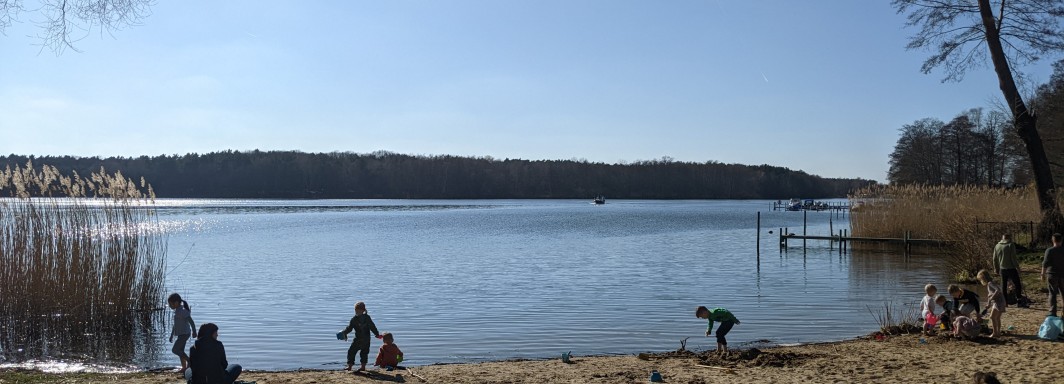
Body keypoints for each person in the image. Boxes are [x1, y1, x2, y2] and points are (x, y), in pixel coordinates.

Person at [339, 301, 381, 372]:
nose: (356, 311)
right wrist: (344, 333)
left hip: (359, 339)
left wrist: (377, 334)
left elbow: (372, 326)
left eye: (358, 310)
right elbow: (350, 328)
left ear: (363, 310)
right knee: (363, 352)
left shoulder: (355, 319)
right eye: (356, 310)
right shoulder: (365, 318)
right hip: (366, 339)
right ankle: (359, 367)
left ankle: (352, 366)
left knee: (352, 352)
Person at [168, 293, 197, 374]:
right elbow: (175, 324)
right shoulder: (177, 311)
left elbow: (191, 321)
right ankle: (184, 368)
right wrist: (171, 335)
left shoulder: (183, 311)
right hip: (181, 334)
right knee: (180, 350)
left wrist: (194, 331)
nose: (170, 306)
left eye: (171, 304)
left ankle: (189, 361)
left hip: (185, 334)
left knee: (175, 350)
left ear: (176, 303)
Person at [993, 234, 1023, 303]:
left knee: (1003, 285)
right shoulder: (1010, 245)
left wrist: (996, 268)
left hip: (1002, 268)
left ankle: (1005, 302)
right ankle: (1019, 299)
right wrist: (1017, 267)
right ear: (1009, 238)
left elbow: (994, 258)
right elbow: (1013, 258)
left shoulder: (997, 246)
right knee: (1017, 284)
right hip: (1011, 268)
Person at [977, 269, 1005, 338]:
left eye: (980, 279)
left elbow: (998, 290)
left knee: (992, 317)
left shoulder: (990, 284)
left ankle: (995, 333)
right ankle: (998, 332)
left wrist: (992, 297)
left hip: (998, 302)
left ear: (983, 278)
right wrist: (988, 304)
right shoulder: (991, 283)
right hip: (1001, 301)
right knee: (997, 317)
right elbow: (990, 295)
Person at [1042, 233, 1064, 317]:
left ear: (1052, 240)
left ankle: (1052, 312)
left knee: (1052, 293)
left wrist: (1042, 274)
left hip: (1052, 274)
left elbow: (1045, 263)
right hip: (1062, 275)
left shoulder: (1049, 250)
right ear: (1061, 240)